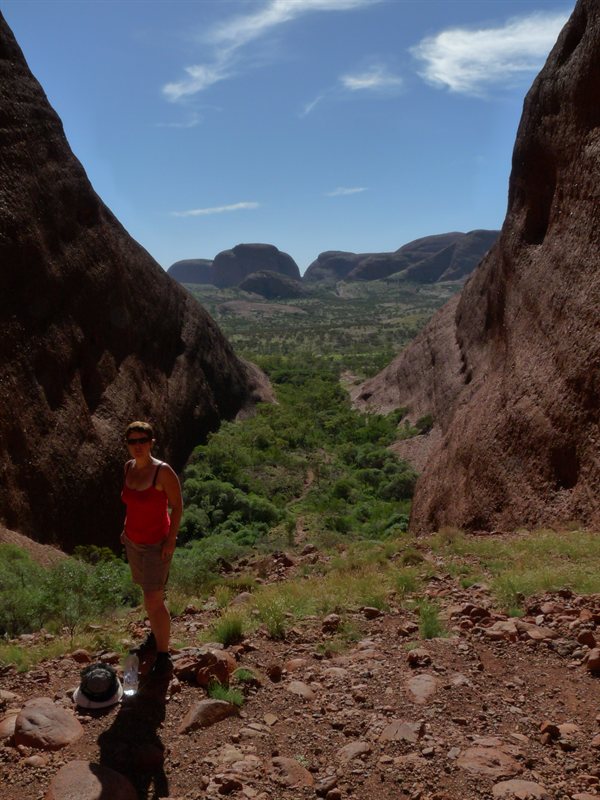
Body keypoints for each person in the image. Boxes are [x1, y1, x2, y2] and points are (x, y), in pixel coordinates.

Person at [121, 421, 183, 676]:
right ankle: (157, 636)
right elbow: (131, 504)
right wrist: (125, 529)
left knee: (153, 599)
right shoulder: (128, 468)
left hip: (156, 544)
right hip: (133, 541)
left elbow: (177, 506)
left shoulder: (162, 472)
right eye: (132, 441)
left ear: (151, 442)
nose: (137, 446)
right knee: (149, 596)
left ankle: (163, 654)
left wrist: (170, 540)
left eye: (142, 440)